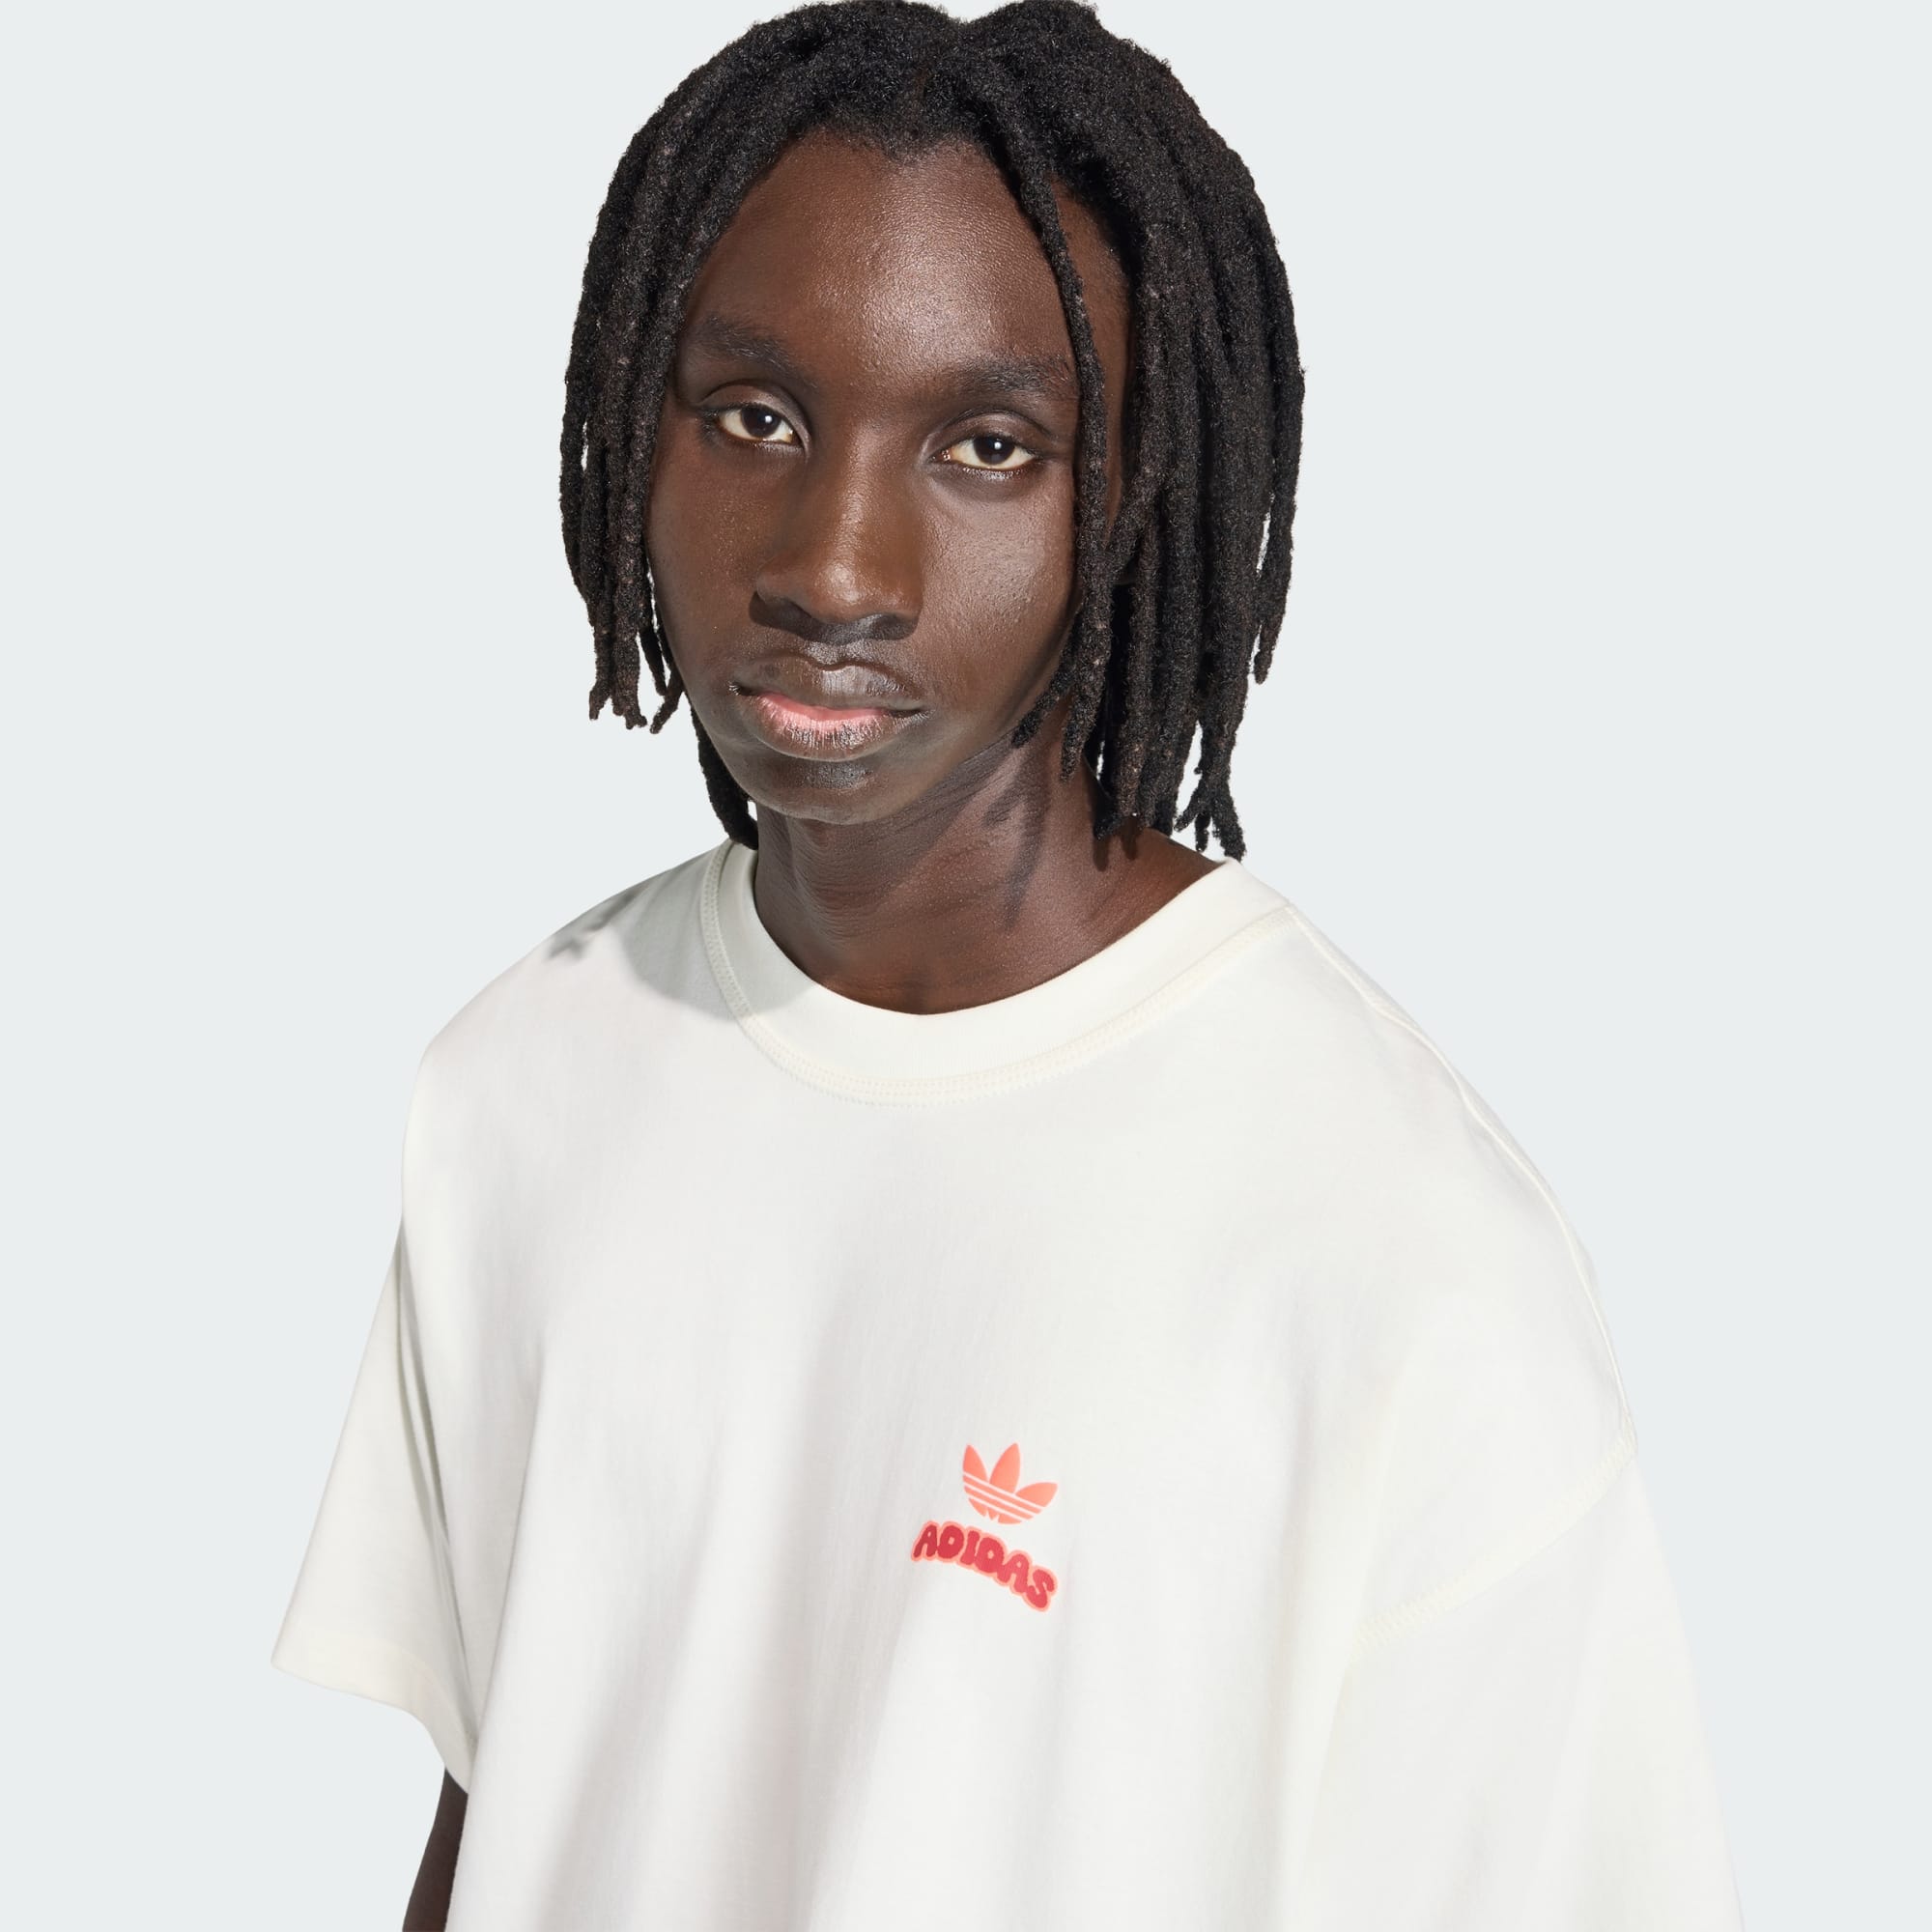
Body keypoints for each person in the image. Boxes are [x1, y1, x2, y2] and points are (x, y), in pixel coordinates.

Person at [270, 3, 1746, 1926]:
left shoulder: (1395, 1257)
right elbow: (514, 1804)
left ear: (1129, 501)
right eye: (755, 417)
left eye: (986, 447)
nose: (835, 566)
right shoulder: (524, 1078)